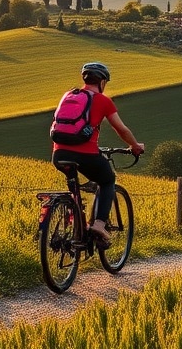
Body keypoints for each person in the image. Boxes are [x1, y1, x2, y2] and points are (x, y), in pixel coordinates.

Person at [52, 61, 144, 246]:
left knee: (75, 187)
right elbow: (122, 129)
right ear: (102, 82)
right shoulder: (102, 100)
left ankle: (77, 226)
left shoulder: (68, 95)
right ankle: (99, 224)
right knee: (107, 180)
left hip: (59, 154)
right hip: (85, 155)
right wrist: (135, 145)